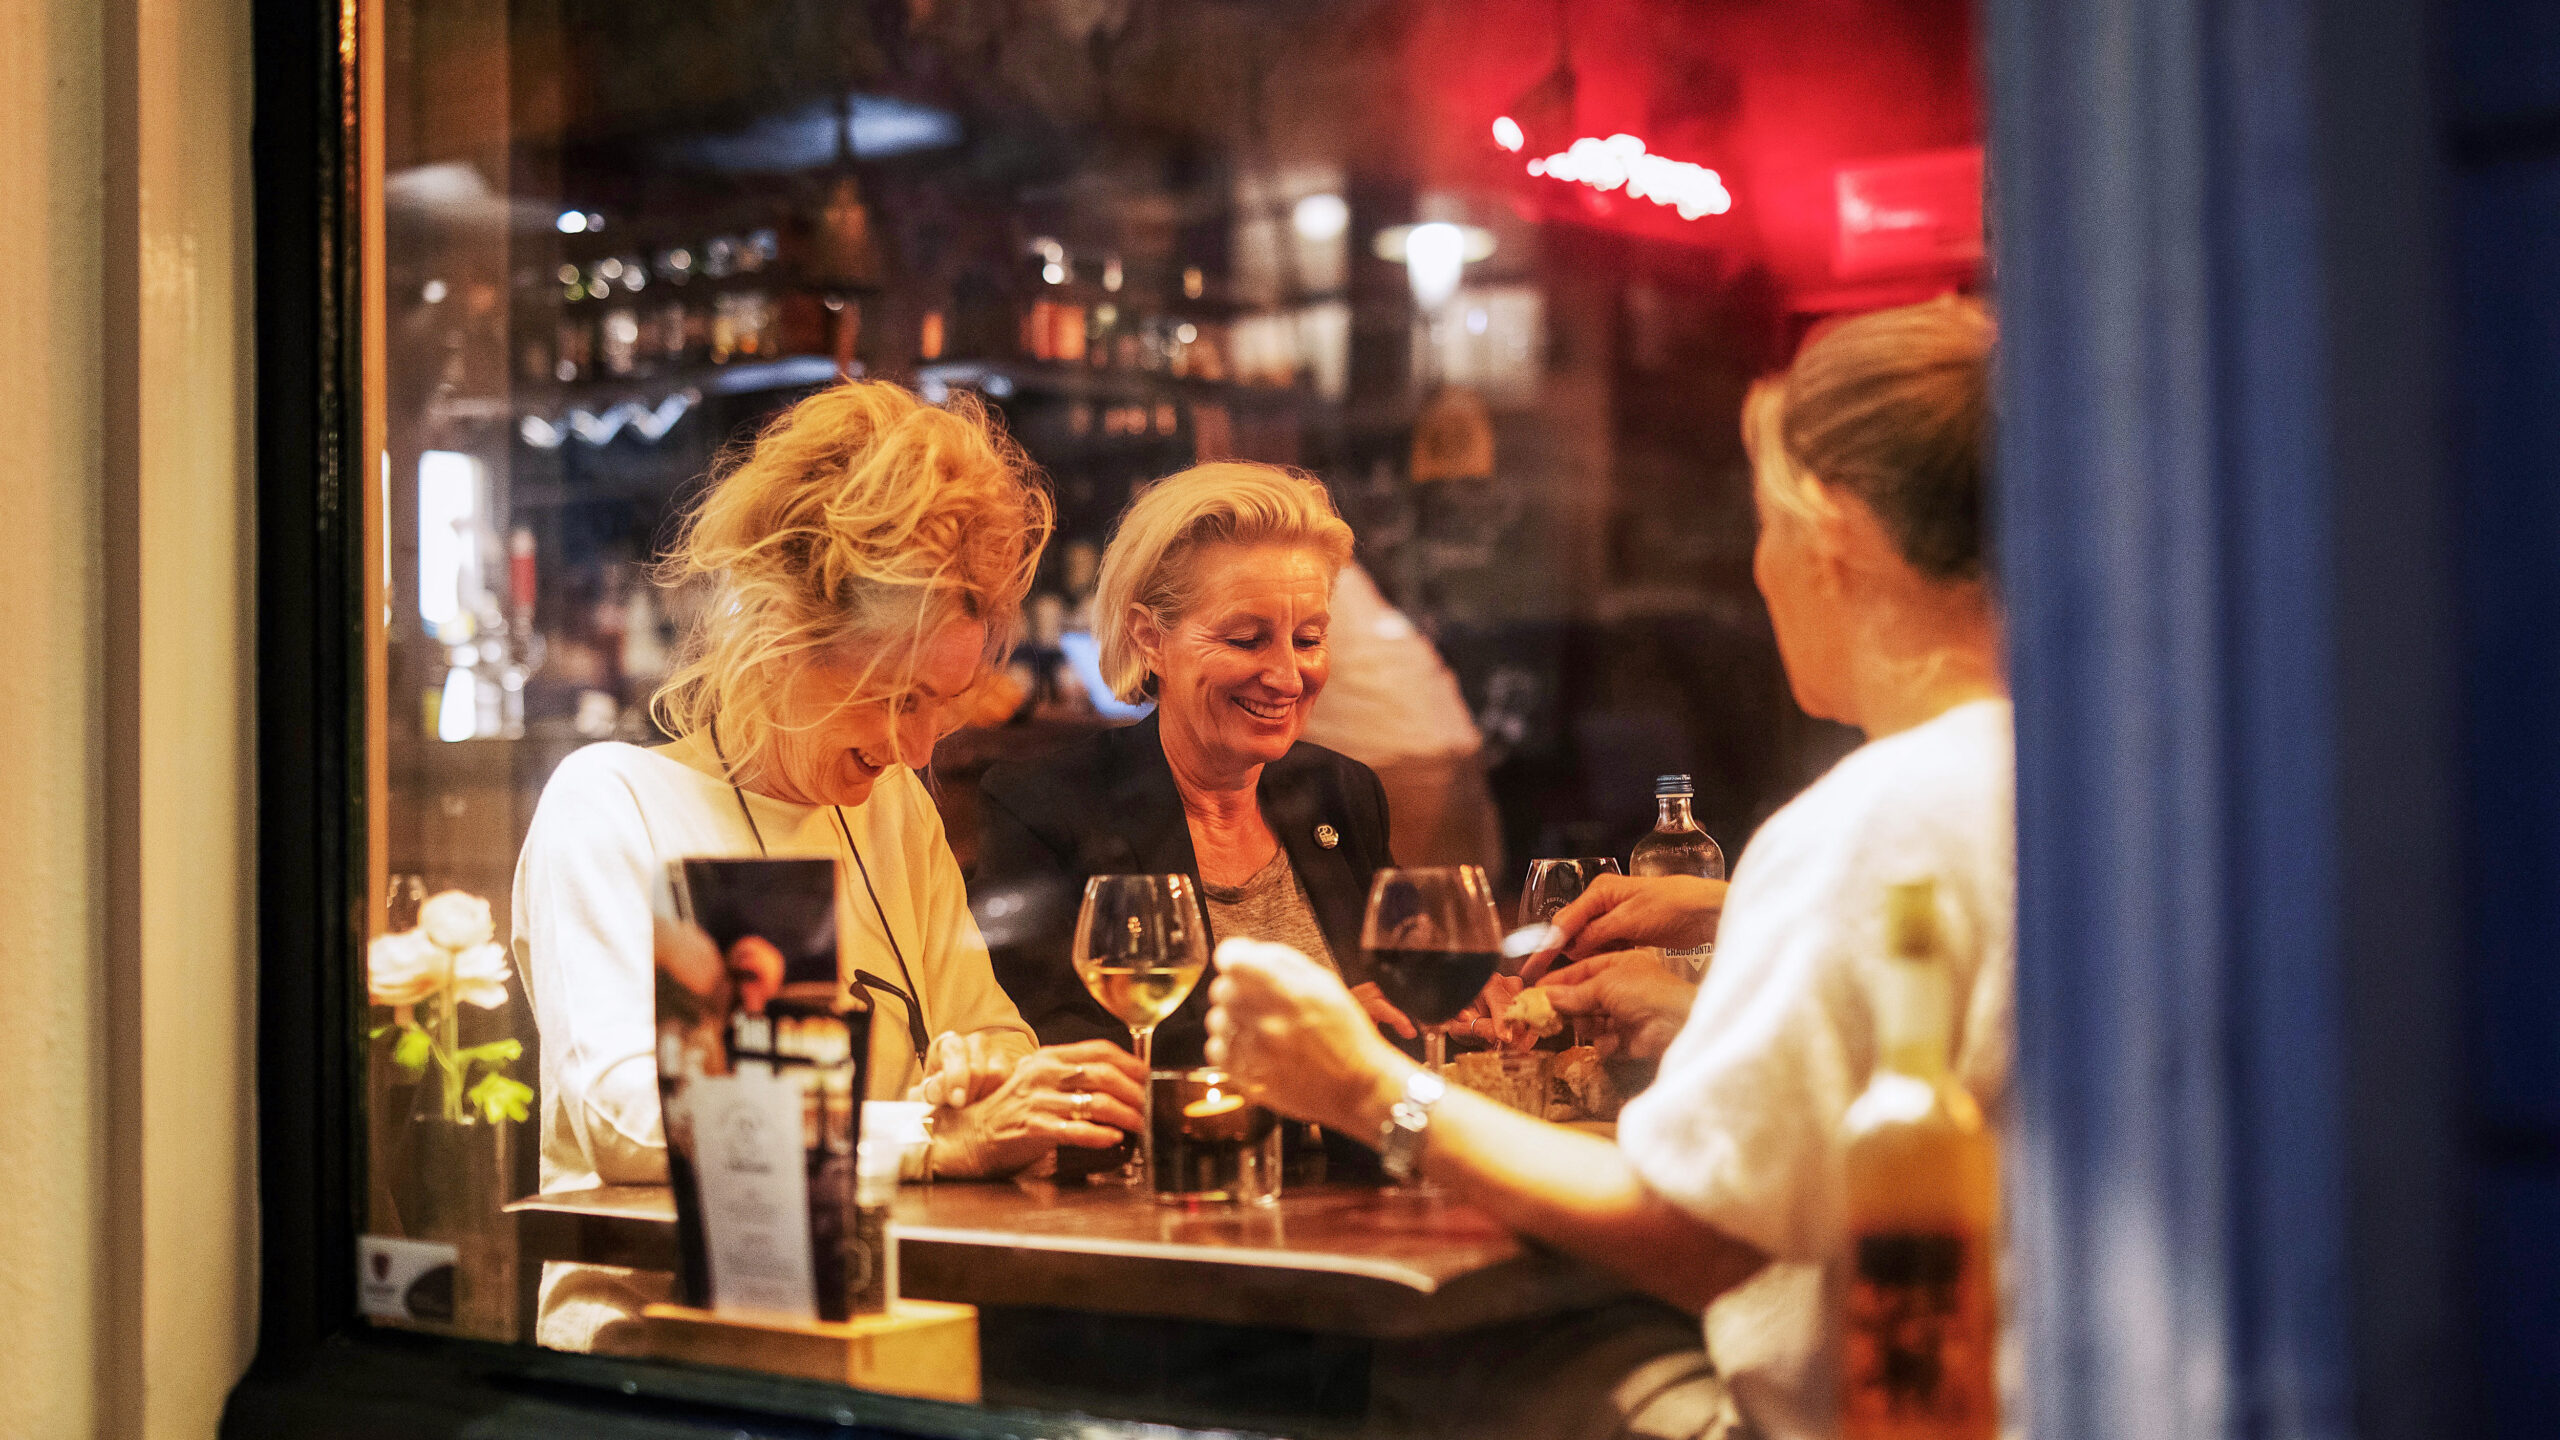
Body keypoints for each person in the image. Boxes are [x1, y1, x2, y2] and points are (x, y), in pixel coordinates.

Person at [1204, 296, 2012, 1440]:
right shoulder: (2063, 782)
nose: (1757, 567)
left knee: (1429, 1379)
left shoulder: (1877, 814)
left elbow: (1689, 1232)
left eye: (1761, 525)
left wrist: (1362, 1084)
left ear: (1825, 531)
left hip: (1873, 1418)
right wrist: (1703, 994)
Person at [512, 381, 1146, 1350]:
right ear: (780, 634)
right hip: (657, 1361)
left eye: (944, 702)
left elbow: (991, 1031)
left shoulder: (893, 810)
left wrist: (987, 1079)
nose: (919, 744)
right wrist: (935, 1139)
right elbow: (625, 1116)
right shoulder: (614, 802)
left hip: (879, 1339)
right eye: (895, 697)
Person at [970, 462, 1422, 1068]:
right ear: (1149, 638)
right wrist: (1293, 1040)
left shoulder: (1342, 793)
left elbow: (1401, 1006)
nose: (1288, 676)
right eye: (1245, 640)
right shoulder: (1046, 808)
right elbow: (1046, 1043)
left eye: (1308, 639)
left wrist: (1460, 1009)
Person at [1299, 559, 1504, 873]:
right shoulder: (1324, 561)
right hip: (1450, 744)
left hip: (1393, 763)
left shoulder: (1294, 561)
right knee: (1455, 907)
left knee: (1411, 911)